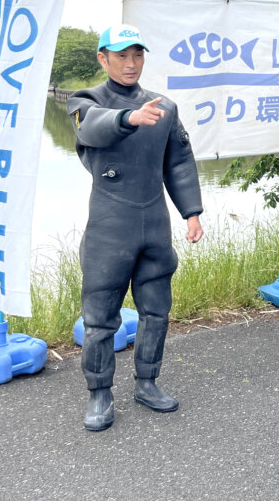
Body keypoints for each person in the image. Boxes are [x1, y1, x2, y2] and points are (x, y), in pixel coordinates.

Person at [67, 24, 204, 432]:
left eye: (137, 55)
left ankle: (147, 382)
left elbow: (178, 161)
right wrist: (129, 117)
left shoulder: (164, 107)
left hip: (154, 224)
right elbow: (92, 127)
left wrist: (191, 211)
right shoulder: (84, 101)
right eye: (122, 55)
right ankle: (100, 393)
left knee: (157, 310)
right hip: (111, 225)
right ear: (103, 58)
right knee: (101, 317)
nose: (131, 64)